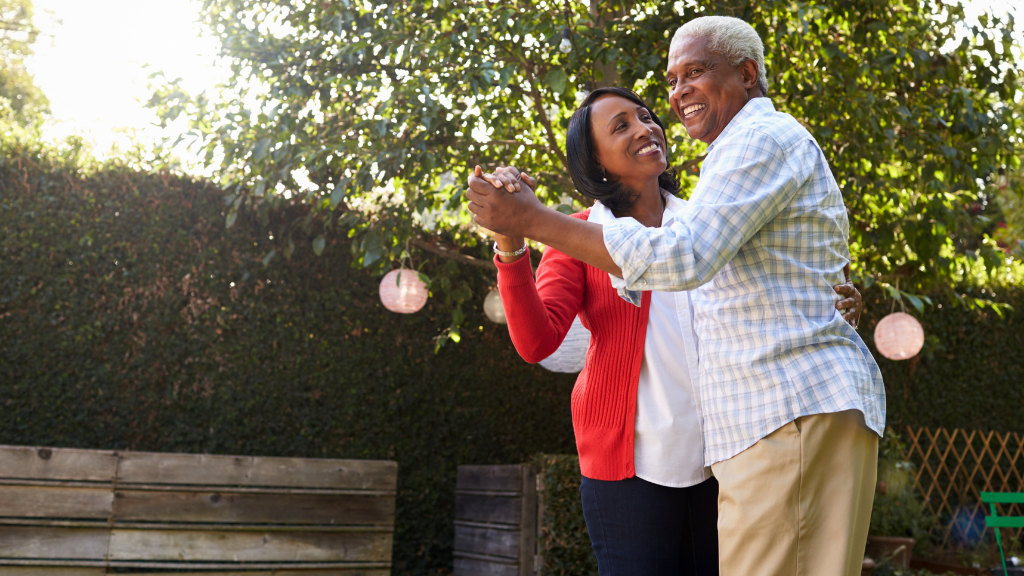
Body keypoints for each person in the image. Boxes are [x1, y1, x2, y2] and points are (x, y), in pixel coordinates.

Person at [468, 16, 884, 576]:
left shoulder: (705, 219)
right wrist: (515, 240)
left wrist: (830, 300)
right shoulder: (581, 236)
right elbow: (539, 340)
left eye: (644, 115)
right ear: (597, 164)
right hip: (637, 467)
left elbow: (728, 266)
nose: (647, 125)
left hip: (724, 452)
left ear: (746, 74)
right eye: (621, 127)